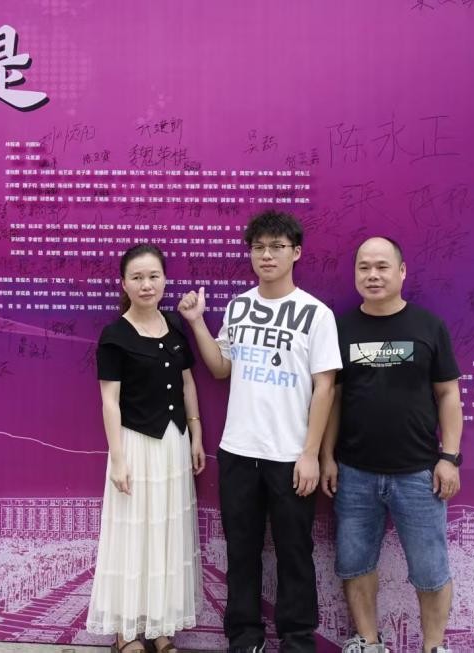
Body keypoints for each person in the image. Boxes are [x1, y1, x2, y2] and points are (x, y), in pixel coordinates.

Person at [178, 210, 340, 653]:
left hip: (291, 454)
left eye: (277, 247)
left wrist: (310, 453)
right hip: (239, 450)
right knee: (241, 550)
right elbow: (221, 368)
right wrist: (197, 323)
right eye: (259, 247)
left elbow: (325, 387)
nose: (267, 255)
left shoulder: (316, 314)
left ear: (296, 252)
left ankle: (297, 640)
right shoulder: (239, 306)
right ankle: (245, 638)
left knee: (294, 551)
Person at [320, 236, 463, 653]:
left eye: (382, 266)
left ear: (401, 272)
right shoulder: (340, 329)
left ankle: (433, 646)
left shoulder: (429, 326)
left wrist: (449, 457)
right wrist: (327, 457)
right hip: (354, 473)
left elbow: (448, 394)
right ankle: (368, 642)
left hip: (419, 473)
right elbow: (333, 398)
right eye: (364, 267)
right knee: (355, 565)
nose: (373, 275)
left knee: (431, 570)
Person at [87, 243, 207, 653]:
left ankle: (161, 629)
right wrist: (118, 460)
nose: (146, 285)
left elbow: (188, 383)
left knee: (167, 537)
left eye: (154, 276)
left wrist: (196, 435)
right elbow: (109, 402)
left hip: (174, 445)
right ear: (123, 283)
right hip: (136, 446)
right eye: (137, 277)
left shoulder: (173, 326)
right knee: (133, 536)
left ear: (164, 280)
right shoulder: (115, 336)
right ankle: (125, 633)